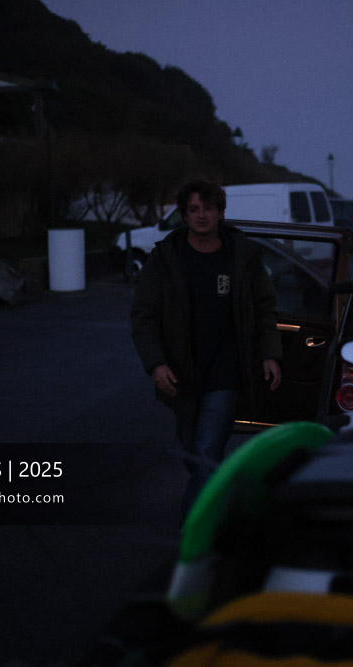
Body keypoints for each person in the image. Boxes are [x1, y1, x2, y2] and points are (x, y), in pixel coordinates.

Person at [130, 178, 283, 517]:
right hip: (181, 373)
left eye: (208, 209)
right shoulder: (166, 258)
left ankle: (194, 531)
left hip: (226, 371)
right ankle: (229, 497)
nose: (201, 216)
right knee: (194, 452)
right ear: (184, 214)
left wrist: (270, 354)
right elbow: (144, 316)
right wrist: (156, 364)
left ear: (220, 213)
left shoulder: (241, 256)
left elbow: (264, 308)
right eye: (193, 209)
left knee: (206, 450)